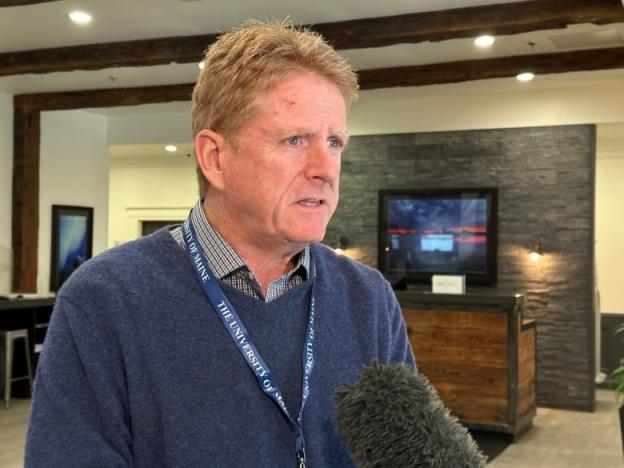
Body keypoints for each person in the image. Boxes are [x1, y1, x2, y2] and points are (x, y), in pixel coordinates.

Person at [25, 21, 415, 468]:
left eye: (334, 143)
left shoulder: (368, 298)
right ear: (215, 157)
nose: (325, 168)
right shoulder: (104, 299)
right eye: (295, 140)